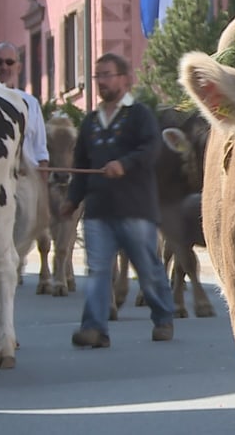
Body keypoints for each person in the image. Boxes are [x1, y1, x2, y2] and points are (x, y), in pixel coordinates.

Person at [60, 52, 175, 347]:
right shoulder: (90, 123)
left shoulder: (139, 116)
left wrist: (124, 163)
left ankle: (163, 317)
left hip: (135, 209)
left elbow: (151, 149)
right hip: (98, 211)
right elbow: (80, 165)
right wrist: (72, 200)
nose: (101, 82)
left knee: (147, 270)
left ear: (124, 79)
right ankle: (95, 328)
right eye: (97, 76)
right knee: (98, 271)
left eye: (106, 75)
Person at [0, 42, 49, 176]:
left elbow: (40, 152)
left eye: (9, 62)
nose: (4, 67)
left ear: (19, 67)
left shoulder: (31, 104)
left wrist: (43, 193)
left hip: (25, 183)